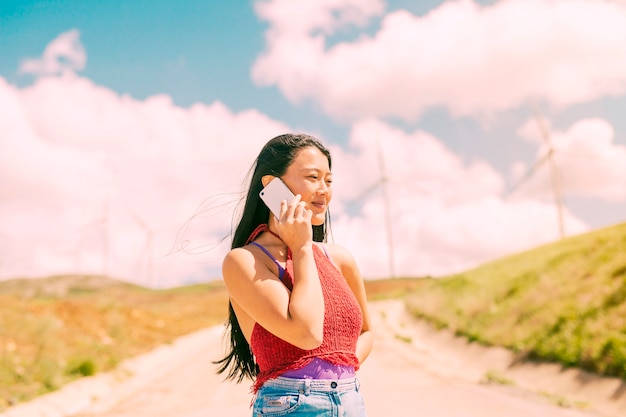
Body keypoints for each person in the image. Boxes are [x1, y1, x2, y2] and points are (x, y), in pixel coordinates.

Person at [215, 133, 373, 416]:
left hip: (350, 398)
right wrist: (300, 248)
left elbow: (367, 332)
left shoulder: (340, 258)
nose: (324, 189)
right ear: (273, 186)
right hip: (291, 404)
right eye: (313, 177)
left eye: (329, 180)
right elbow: (306, 333)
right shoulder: (244, 261)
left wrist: (338, 373)